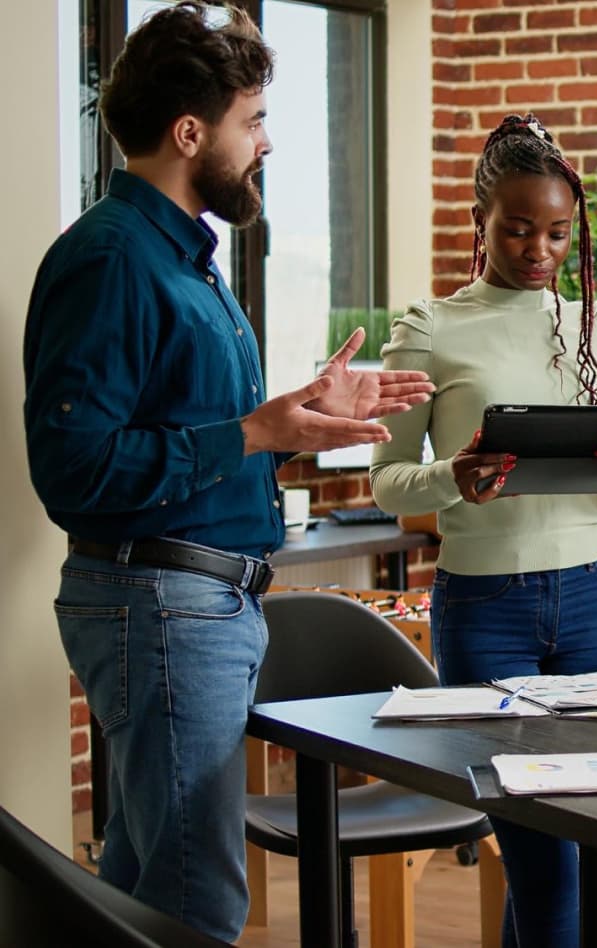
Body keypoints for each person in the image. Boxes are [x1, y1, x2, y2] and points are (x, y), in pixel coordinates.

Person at [22, 3, 432, 940]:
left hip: (201, 607)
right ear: (189, 131)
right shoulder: (112, 260)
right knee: (192, 898)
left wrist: (297, 421)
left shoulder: (189, 266)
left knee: (140, 883)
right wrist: (251, 431)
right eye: (253, 120)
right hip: (162, 605)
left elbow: (196, 437)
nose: (266, 142)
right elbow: (73, 471)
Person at [370, 112, 597, 948]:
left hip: (589, 601)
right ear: (480, 221)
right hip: (484, 609)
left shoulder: (595, 328)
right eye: (518, 228)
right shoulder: (429, 331)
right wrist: (452, 478)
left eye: (555, 232)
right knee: (541, 853)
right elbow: (388, 484)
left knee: (575, 840)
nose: (539, 249)